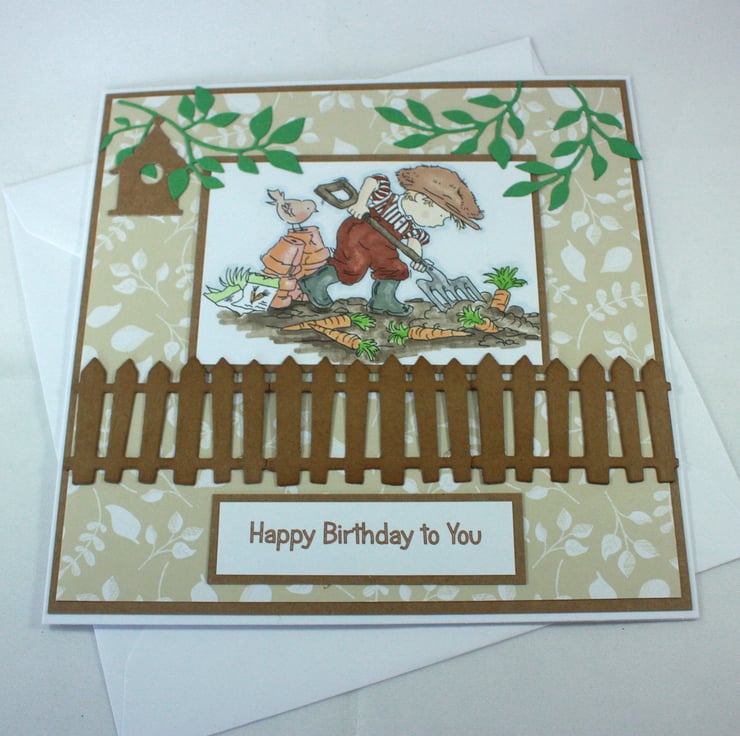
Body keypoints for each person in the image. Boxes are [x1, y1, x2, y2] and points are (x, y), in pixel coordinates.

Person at [300, 165, 483, 316]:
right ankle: (315, 283)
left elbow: (413, 243)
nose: (441, 223)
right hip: (358, 234)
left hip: (383, 247)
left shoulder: (410, 228)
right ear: (420, 198)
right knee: (353, 267)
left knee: (396, 269)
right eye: (442, 215)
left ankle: (382, 300)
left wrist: (417, 260)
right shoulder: (386, 197)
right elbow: (373, 181)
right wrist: (361, 204)